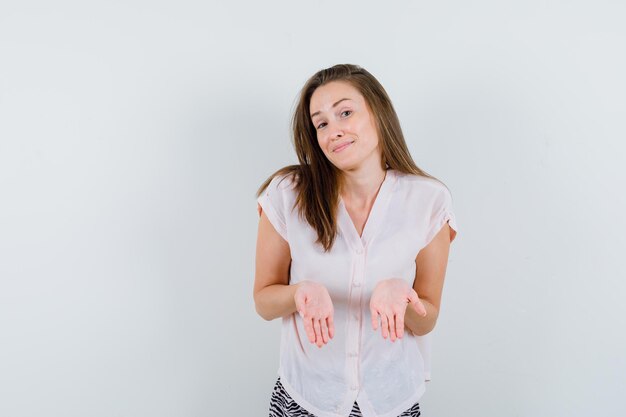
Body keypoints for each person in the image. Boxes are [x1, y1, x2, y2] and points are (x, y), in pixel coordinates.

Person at [254, 64, 458, 417]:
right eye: (321, 123)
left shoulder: (429, 201)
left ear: (378, 113)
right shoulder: (288, 194)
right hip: (305, 396)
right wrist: (299, 292)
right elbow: (264, 301)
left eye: (345, 112)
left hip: (390, 400)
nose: (334, 131)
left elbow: (428, 318)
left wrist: (403, 297)